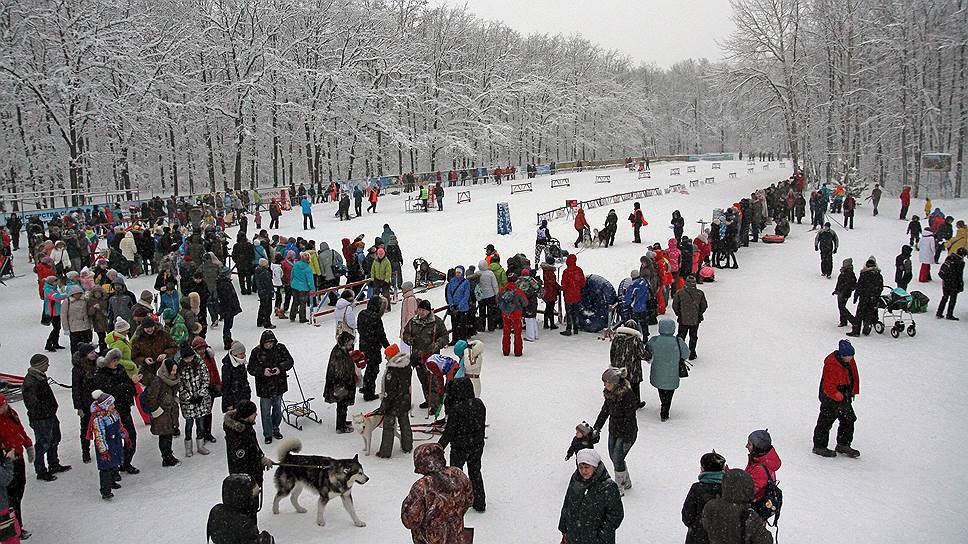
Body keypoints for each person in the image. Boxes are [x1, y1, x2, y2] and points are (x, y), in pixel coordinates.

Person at [401, 443, 473, 544]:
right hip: (456, 536)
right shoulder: (458, 474)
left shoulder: (422, 486)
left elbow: (410, 520)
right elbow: (469, 500)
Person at [437, 377, 486, 512]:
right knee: (475, 473)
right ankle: (480, 502)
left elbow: (449, 432)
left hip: (459, 448)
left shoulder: (457, 409)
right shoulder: (479, 404)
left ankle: (458, 503)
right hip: (477, 445)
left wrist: (439, 446)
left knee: (456, 475)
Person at [558, 448, 624, 544]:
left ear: (595, 467)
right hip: (573, 537)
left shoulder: (608, 487)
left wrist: (602, 536)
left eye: (587, 467)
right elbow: (568, 502)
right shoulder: (576, 479)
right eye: (581, 467)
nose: (583, 471)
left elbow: (616, 514)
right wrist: (564, 527)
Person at [91, 349, 140, 474]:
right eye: (114, 360)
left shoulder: (120, 369)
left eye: (117, 360)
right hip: (109, 414)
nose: (116, 363)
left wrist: (129, 384)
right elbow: (109, 393)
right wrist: (127, 385)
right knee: (112, 441)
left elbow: (128, 388)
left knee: (130, 436)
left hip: (124, 409)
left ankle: (125, 462)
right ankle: (114, 468)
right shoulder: (100, 375)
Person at [22, 354, 69, 481]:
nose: (48, 365)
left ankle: (53, 463)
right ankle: (41, 470)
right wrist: (47, 410)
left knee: (54, 439)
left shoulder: (39, 377)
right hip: (41, 418)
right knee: (43, 443)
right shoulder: (31, 381)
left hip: (49, 415)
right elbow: (32, 404)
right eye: (46, 363)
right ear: (40, 365)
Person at [593, 367, 637, 495]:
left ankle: (619, 487)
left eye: (608, 382)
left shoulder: (627, 396)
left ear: (616, 383)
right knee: (614, 457)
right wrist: (597, 427)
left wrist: (627, 438)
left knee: (617, 458)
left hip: (626, 433)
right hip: (614, 430)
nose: (605, 385)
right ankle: (627, 481)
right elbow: (605, 411)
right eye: (604, 382)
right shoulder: (610, 394)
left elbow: (630, 419)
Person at [813, 340, 861, 458]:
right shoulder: (831, 365)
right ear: (841, 355)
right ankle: (819, 446)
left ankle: (843, 444)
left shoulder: (849, 361)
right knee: (825, 422)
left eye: (851, 356)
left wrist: (852, 391)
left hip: (844, 395)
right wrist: (836, 395)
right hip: (830, 398)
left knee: (849, 419)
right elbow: (828, 386)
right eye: (848, 356)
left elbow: (853, 375)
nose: (850, 358)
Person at [700, 469, 774, 544]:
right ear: (748, 488)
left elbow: (706, 527)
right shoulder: (748, 514)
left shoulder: (711, 506)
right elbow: (765, 540)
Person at [247, 330, 293, 444]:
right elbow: (250, 368)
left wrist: (280, 368)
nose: (269, 345)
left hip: (278, 385)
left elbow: (290, 361)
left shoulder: (280, 348)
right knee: (265, 412)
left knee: (277, 410)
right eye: (267, 343)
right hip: (264, 387)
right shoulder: (256, 352)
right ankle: (267, 433)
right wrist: (262, 371)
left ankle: (275, 428)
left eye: (271, 342)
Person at [401, 299, 449, 409]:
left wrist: (437, 344)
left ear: (428, 311)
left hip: (432, 357)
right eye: (420, 310)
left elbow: (445, 336)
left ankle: (435, 403)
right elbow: (406, 333)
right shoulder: (413, 321)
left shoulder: (436, 322)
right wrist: (408, 339)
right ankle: (428, 399)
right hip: (417, 357)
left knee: (433, 381)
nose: (421, 312)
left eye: (424, 310)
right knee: (423, 379)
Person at [206, 474, 274, 544]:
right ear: (244, 497)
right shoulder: (244, 524)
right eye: (255, 495)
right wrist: (265, 540)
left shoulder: (217, 511)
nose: (256, 499)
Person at [86, 391, 128, 500]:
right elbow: (99, 436)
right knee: (106, 468)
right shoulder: (99, 419)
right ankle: (105, 490)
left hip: (115, 442)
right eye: (111, 405)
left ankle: (112, 481)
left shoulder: (113, 413)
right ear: (105, 406)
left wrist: (123, 434)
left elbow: (119, 425)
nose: (114, 406)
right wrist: (103, 450)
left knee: (114, 463)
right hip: (106, 445)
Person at [223, 400, 273, 490]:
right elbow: (240, 465)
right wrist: (252, 483)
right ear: (247, 416)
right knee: (249, 503)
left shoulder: (246, 426)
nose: (256, 414)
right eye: (254, 413)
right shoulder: (238, 436)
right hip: (244, 484)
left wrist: (261, 457)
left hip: (252, 477)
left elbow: (254, 447)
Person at [0, 395, 31, 538]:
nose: (2, 408)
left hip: (18, 458)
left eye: (3, 405)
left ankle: (16, 523)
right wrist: (6, 453)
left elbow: (20, 431)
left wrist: (28, 444)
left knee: (19, 491)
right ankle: (14, 527)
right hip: (6, 462)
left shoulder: (12, 414)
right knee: (11, 497)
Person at [647, 319, 690, 421]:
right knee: (670, 391)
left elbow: (647, 352)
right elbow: (686, 354)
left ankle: (663, 404)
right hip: (672, 372)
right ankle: (665, 409)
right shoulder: (678, 341)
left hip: (658, 372)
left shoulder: (654, 340)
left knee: (661, 389)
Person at [376, 344, 414, 458]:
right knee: (405, 423)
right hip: (404, 400)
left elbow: (389, 392)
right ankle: (407, 445)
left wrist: (384, 406)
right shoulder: (406, 365)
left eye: (386, 355)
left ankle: (385, 452)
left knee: (388, 427)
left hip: (393, 404)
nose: (385, 358)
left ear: (392, 355)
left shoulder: (392, 371)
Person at [681, 451, 727, 544]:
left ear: (703, 468)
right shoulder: (729, 488)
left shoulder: (697, 488)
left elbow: (687, 516)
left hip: (699, 536)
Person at [175, 344, 212, 457]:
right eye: (186, 358)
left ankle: (200, 445)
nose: (189, 360)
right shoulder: (179, 368)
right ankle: (188, 447)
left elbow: (206, 379)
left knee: (200, 425)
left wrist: (200, 395)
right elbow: (180, 385)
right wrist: (189, 397)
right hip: (188, 403)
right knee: (189, 425)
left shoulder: (200, 364)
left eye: (190, 357)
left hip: (200, 401)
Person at [145, 357, 181, 467]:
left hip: (170, 411)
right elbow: (151, 398)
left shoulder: (173, 379)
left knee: (168, 435)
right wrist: (158, 411)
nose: (174, 372)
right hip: (161, 413)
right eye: (172, 370)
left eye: (175, 370)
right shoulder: (158, 381)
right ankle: (165, 457)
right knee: (164, 436)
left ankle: (169, 454)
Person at [609, 320, 650, 409]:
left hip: (619, 368)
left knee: (620, 384)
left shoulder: (616, 338)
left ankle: (619, 401)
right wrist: (649, 355)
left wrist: (613, 364)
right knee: (634, 386)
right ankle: (635, 403)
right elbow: (642, 354)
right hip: (633, 368)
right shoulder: (636, 339)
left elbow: (612, 352)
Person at [357, 296, 389, 401]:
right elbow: (381, 335)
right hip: (373, 347)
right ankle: (369, 393)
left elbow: (360, 329)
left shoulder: (361, 314)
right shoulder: (375, 317)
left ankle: (366, 387)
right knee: (373, 369)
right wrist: (388, 348)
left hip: (363, 345)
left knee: (369, 368)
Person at [324, 332, 357, 434]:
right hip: (340, 384)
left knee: (344, 404)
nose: (351, 346)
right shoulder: (338, 353)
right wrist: (348, 380)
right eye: (349, 343)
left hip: (342, 383)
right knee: (342, 405)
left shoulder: (342, 350)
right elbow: (339, 371)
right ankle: (340, 426)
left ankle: (343, 422)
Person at [744, 429, 781, 520]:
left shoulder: (760, 469)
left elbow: (746, 493)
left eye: (749, 444)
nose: (746, 446)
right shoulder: (762, 461)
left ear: (757, 448)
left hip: (753, 516)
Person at [71, 343, 99, 463]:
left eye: (94, 352)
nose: (94, 354)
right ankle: (85, 451)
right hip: (86, 403)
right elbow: (76, 388)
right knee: (85, 429)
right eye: (91, 353)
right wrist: (79, 407)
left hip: (99, 401)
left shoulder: (98, 364)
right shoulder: (78, 369)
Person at [672, 276, 707, 360]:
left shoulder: (680, 293)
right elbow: (704, 306)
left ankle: (680, 352)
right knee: (693, 336)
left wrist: (679, 313)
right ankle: (692, 352)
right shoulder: (699, 293)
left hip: (683, 319)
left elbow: (675, 305)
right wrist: (698, 313)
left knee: (681, 336)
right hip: (695, 319)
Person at [847, 257, 883, 336]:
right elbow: (881, 287)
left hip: (864, 297)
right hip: (873, 298)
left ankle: (856, 331)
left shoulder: (864, 274)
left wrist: (856, 296)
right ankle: (867, 328)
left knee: (859, 315)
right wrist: (876, 296)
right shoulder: (878, 275)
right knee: (869, 313)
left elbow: (859, 287)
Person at [497, 276, 528, 357]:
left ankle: (505, 351)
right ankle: (518, 352)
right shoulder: (518, 291)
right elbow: (525, 303)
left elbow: (497, 300)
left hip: (505, 314)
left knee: (506, 332)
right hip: (517, 314)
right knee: (517, 333)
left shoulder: (502, 290)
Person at [221, 341, 251, 413]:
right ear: (234, 354)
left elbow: (244, 380)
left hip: (243, 397)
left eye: (244, 353)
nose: (243, 355)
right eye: (241, 354)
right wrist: (229, 403)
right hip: (233, 401)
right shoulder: (227, 367)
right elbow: (226, 386)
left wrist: (247, 394)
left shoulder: (241, 363)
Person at [560, 254, 585, 336]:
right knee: (576, 312)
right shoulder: (579, 270)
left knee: (569, 312)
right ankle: (576, 328)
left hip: (568, 296)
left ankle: (568, 328)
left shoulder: (566, 272)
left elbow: (564, 284)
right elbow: (582, 283)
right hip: (577, 295)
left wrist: (561, 288)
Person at [937, 247, 966, 320]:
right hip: (954, 282)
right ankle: (949, 314)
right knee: (953, 299)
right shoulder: (960, 262)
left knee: (945, 297)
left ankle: (939, 312)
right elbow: (959, 275)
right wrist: (961, 285)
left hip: (946, 280)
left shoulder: (950, 257)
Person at [288, 252, 314, 323]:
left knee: (295, 302)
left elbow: (292, 275)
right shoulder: (308, 269)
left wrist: (291, 282)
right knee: (303, 303)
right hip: (303, 288)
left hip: (294, 286)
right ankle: (302, 318)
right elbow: (310, 281)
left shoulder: (296, 265)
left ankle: (292, 316)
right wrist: (312, 289)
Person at [476, 260, 500, 332]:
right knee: (491, 313)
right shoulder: (490, 273)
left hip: (481, 296)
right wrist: (497, 294)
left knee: (482, 312)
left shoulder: (477, 273)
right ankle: (491, 326)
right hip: (490, 295)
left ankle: (482, 327)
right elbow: (495, 285)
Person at [833, 258, 857, 327]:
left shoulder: (848, 273)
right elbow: (840, 282)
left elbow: (848, 284)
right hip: (841, 292)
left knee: (842, 307)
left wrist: (842, 291)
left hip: (844, 293)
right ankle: (843, 321)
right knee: (841, 307)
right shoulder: (845, 272)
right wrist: (836, 290)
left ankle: (851, 320)